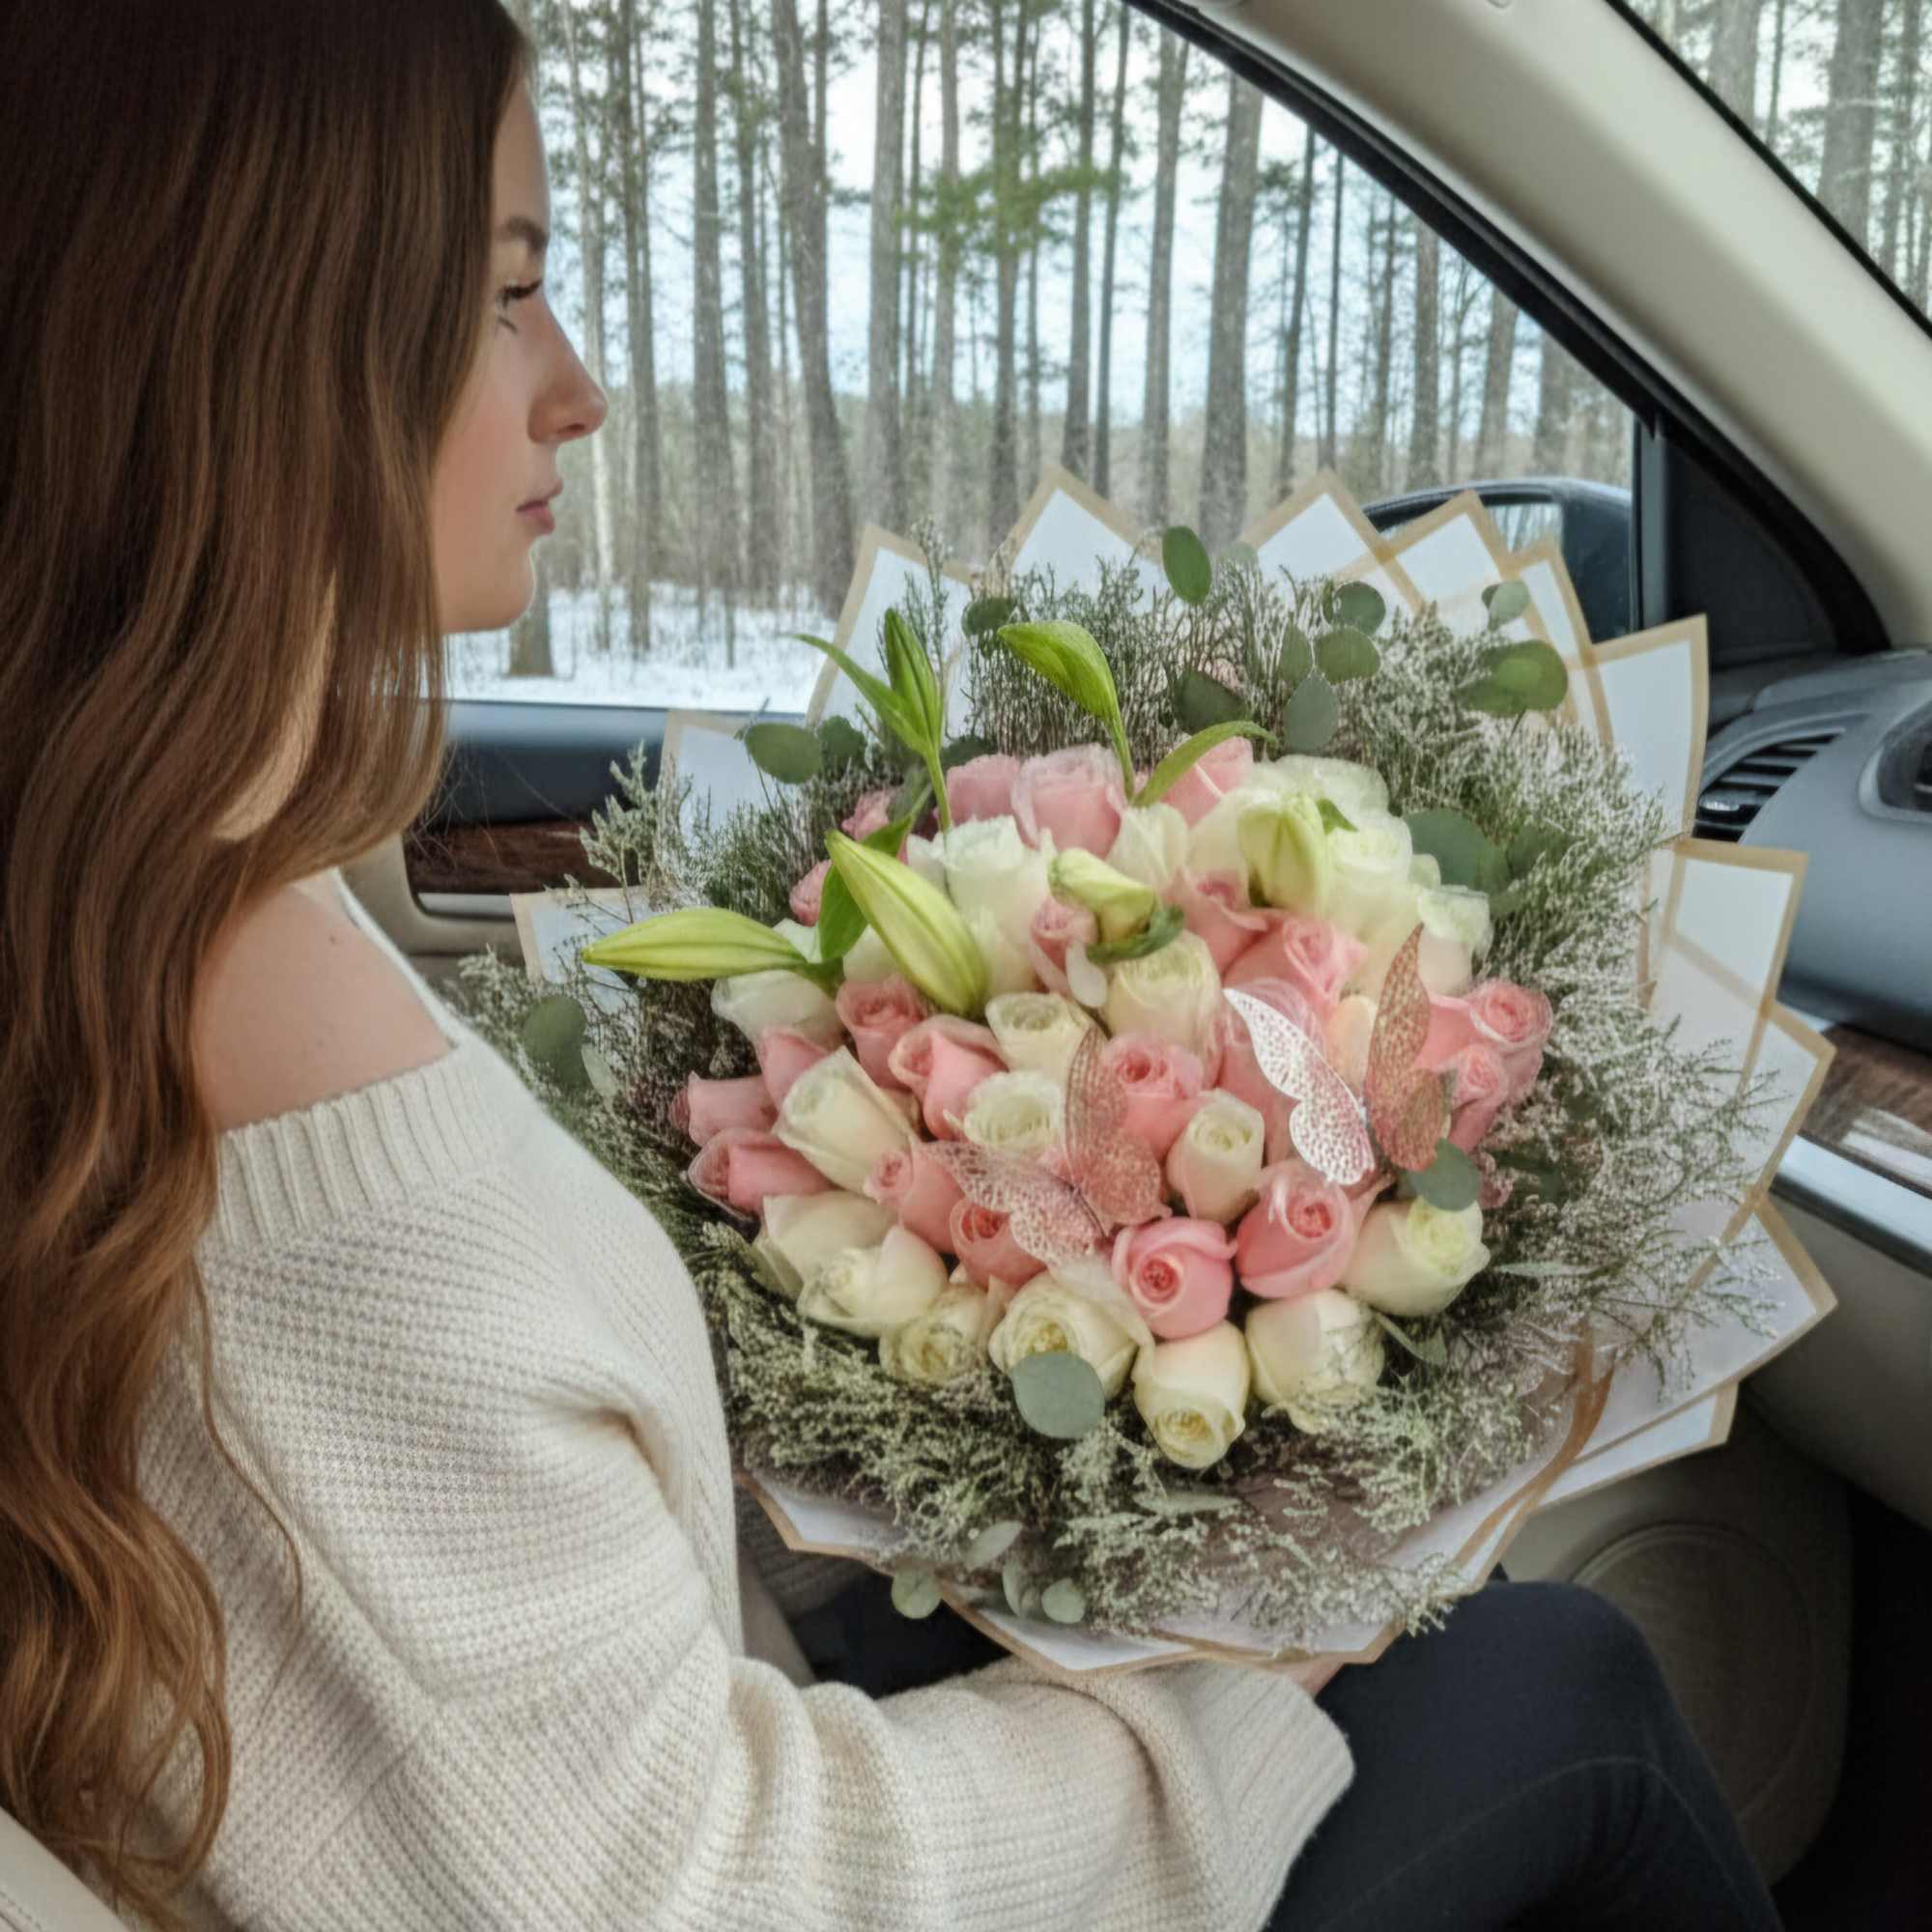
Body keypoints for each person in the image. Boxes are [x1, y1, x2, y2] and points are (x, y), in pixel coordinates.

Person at [0, 4, 1780, 1928]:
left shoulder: (167, 901)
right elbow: (701, 1887)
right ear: (264, 343)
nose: (575, 388)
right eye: (507, 294)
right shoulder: (307, 1160)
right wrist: (1251, 1674)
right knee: (1560, 1692)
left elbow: (485, 1642)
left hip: (683, 1730)